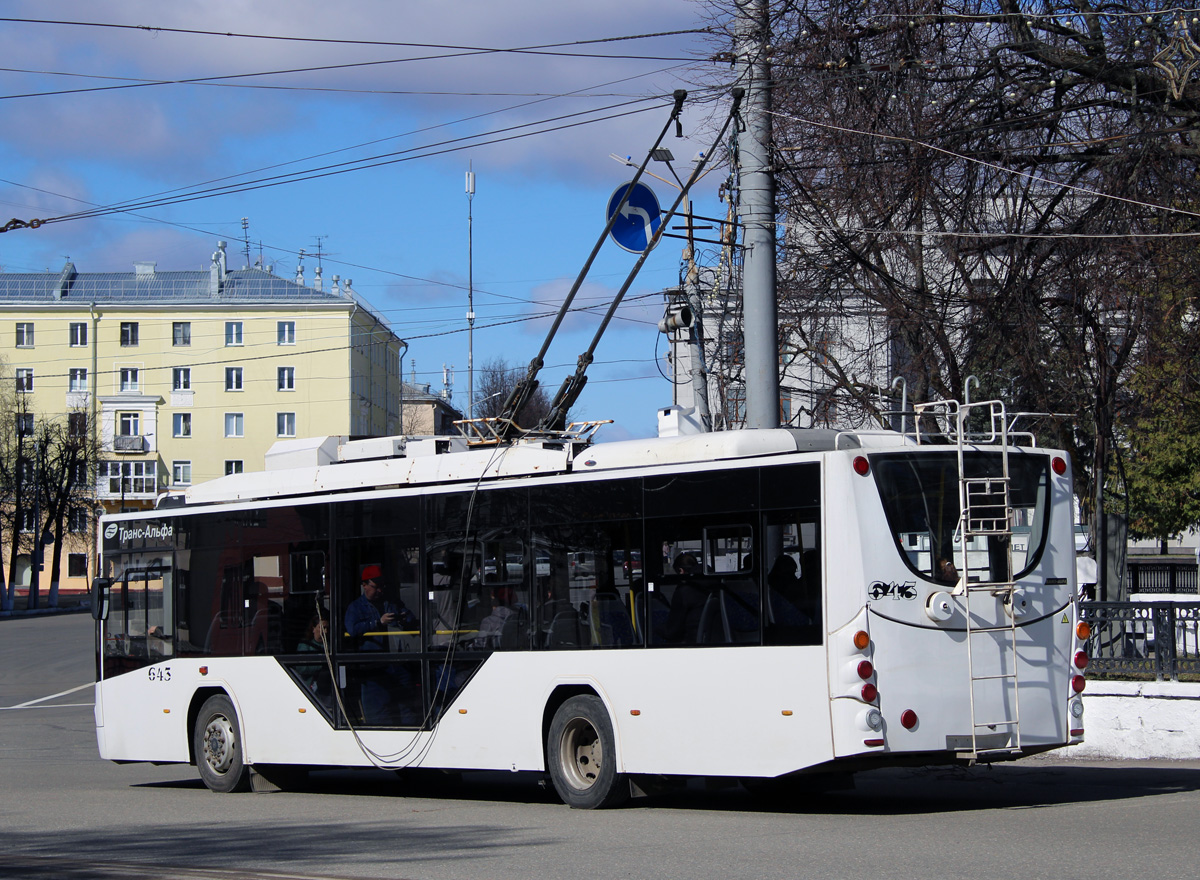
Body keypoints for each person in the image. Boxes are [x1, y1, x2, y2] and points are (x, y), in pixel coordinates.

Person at [344, 564, 417, 652]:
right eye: (376, 587)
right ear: (364, 585)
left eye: (382, 586)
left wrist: (403, 619)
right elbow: (352, 630)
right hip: (370, 658)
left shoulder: (391, 602)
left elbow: (410, 617)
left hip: (394, 655)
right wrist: (378, 623)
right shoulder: (355, 607)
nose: (380, 590)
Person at [662, 552, 710, 644]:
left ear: (681, 571)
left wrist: (657, 629)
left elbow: (672, 630)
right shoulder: (715, 584)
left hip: (692, 642)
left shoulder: (684, 591)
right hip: (715, 639)